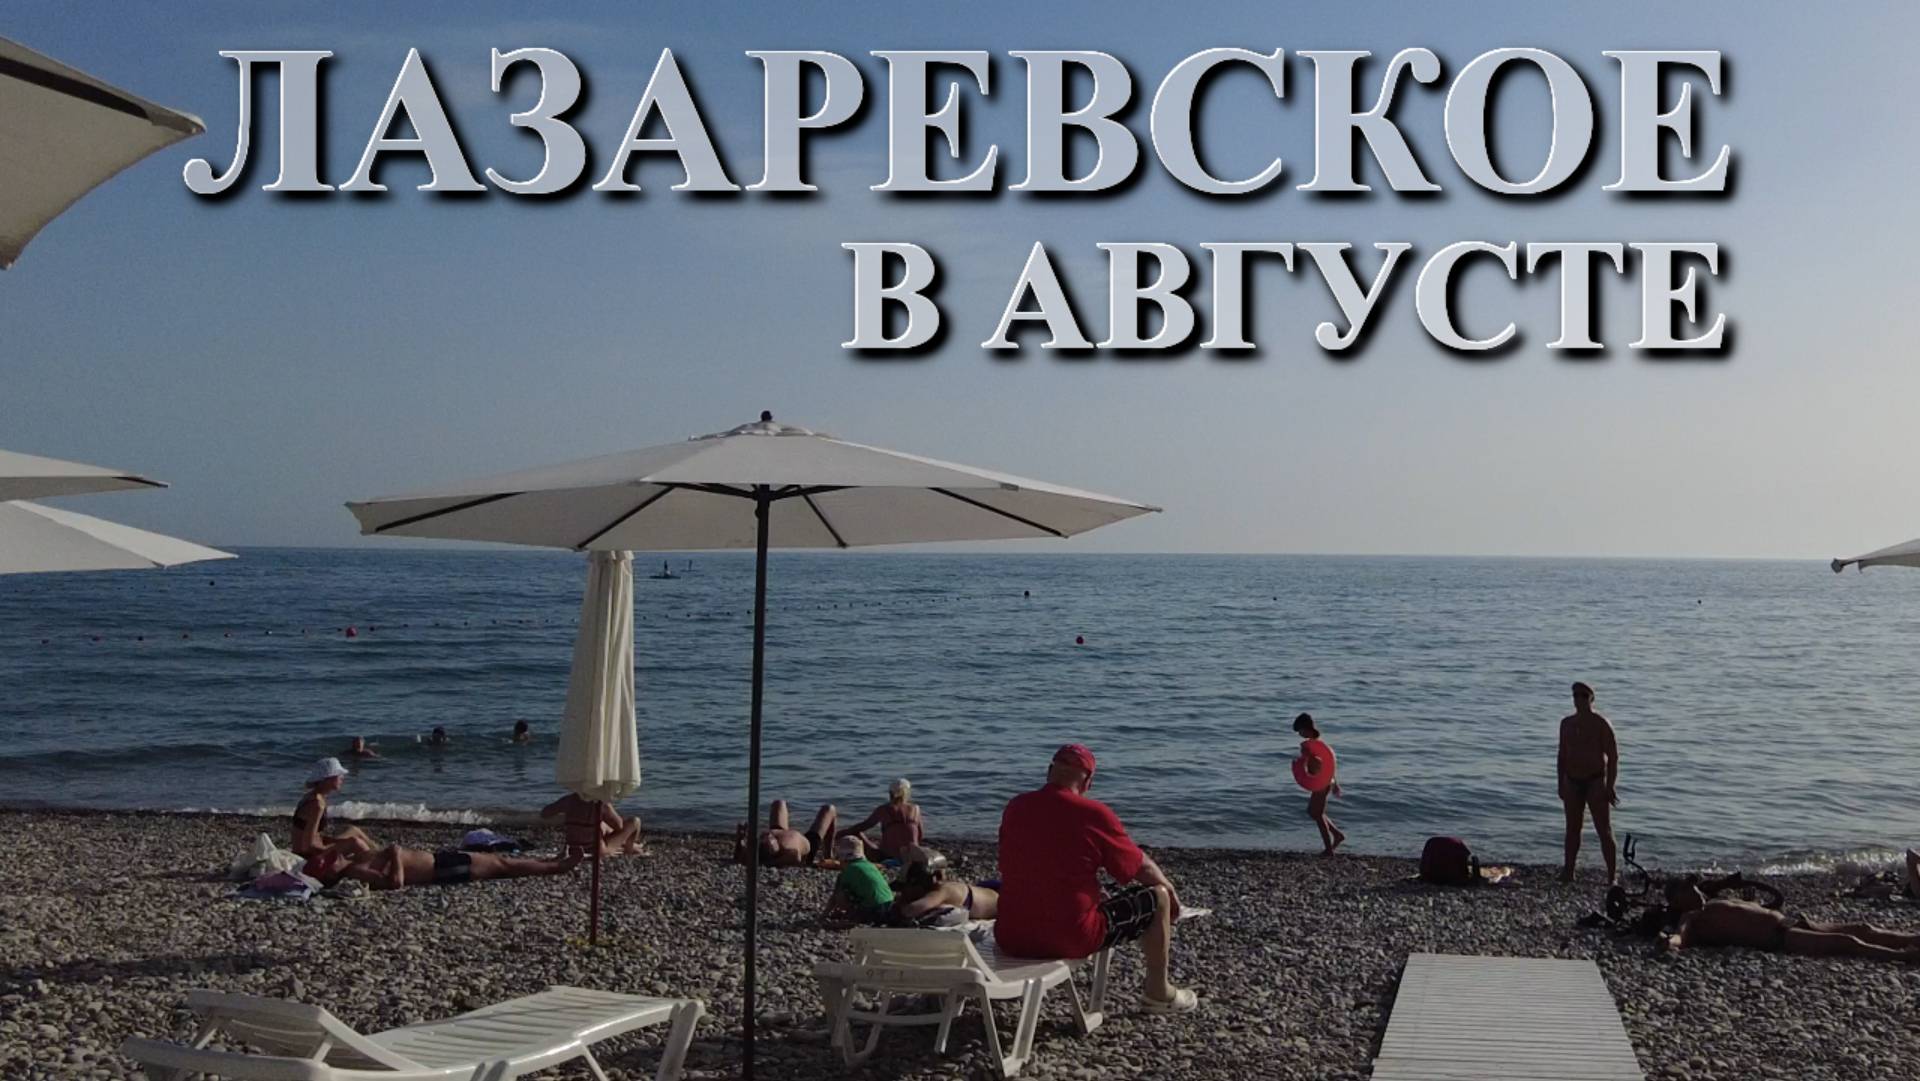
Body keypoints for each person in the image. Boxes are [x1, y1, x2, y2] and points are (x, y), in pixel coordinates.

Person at [997, 744, 1197, 1012]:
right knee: (1156, 897)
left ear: (1049, 771)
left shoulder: (1016, 807)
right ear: (1088, 781)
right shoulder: (1093, 814)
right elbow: (1139, 867)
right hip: (1068, 937)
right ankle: (1158, 992)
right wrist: (1169, 890)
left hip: (1011, 936)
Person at [1665, 880, 1920, 962]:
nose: (1698, 893)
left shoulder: (1714, 902)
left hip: (1792, 921)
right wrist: (1669, 942)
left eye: (1696, 889)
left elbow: (1754, 913)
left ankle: (1912, 939)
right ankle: (1902, 956)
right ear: (1677, 901)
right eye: (1690, 892)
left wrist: (1752, 902)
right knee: (1847, 941)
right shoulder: (1693, 917)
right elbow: (1680, 936)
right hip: (1781, 936)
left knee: (1863, 928)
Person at [1557, 681, 1619, 884]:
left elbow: (1613, 756)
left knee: (1604, 830)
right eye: (1575, 695)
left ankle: (1612, 876)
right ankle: (1569, 871)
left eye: (1583, 695)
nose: (1579, 699)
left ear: (1591, 699)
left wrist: (1610, 786)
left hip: (1595, 782)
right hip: (1572, 781)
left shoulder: (1601, 724)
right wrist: (1560, 783)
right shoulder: (1566, 724)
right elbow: (1562, 755)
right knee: (1572, 829)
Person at [308, 844, 580, 890]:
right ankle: (557, 866)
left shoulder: (355, 859)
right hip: (439, 870)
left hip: (440, 860)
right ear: (332, 871)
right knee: (502, 866)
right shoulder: (354, 871)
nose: (334, 858)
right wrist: (396, 855)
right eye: (330, 862)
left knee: (499, 860)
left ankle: (552, 862)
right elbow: (394, 883)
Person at [291, 757, 375, 860]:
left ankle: (377, 854)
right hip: (307, 856)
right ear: (327, 779)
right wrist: (333, 849)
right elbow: (307, 846)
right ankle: (374, 861)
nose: (342, 778)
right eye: (338, 775)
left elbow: (311, 835)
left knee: (354, 830)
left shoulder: (313, 796)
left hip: (316, 846)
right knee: (355, 842)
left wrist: (334, 842)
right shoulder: (316, 804)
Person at [1292, 713, 1345, 855]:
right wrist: (1335, 783)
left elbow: (1324, 764)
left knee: (1318, 814)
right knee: (1313, 812)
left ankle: (1329, 849)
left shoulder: (1313, 746)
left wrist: (1306, 756)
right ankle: (1337, 835)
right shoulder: (1316, 744)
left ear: (1306, 728)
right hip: (1323, 781)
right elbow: (1328, 766)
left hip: (1322, 783)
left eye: (1300, 730)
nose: (1299, 734)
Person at [838, 778, 924, 861]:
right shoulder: (916, 809)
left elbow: (864, 825)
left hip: (887, 856)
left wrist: (843, 832)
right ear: (907, 793)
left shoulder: (884, 809)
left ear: (890, 793)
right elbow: (920, 835)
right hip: (911, 856)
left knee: (857, 833)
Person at [733, 799, 835, 868]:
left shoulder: (759, 847)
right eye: (770, 842)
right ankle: (828, 854)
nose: (769, 837)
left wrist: (740, 840)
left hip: (781, 831)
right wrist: (767, 863)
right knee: (829, 809)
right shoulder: (788, 850)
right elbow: (796, 857)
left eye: (767, 839)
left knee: (778, 803)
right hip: (808, 844)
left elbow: (739, 856)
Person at [893, 857, 999, 923]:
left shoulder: (942, 891)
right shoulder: (939, 888)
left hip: (999, 904)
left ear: (919, 885)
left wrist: (899, 907)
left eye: (904, 888)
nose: (903, 892)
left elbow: (912, 910)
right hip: (990, 895)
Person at [821, 835, 895, 927]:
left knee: (842, 893)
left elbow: (834, 898)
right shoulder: (871, 866)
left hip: (873, 911)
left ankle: (853, 919)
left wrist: (824, 915)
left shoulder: (847, 871)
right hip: (890, 907)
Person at [540, 793, 645, 857]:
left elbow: (544, 813)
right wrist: (609, 807)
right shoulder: (600, 802)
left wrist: (571, 814)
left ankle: (626, 844)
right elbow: (619, 826)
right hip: (596, 849)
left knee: (602, 824)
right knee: (635, 822)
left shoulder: (569, 799)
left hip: (573, 847)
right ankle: (629, 848)